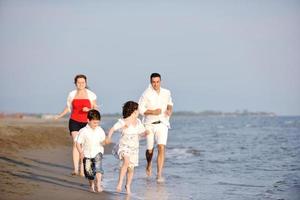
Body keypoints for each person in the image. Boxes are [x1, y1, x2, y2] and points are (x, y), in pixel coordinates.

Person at [55, 74, 98, 176]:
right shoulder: (72, 94)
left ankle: (83, 169)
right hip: (74, 121)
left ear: (85, 83)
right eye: (79, 82)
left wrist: (89, 110)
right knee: (76, 143)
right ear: (75, 83)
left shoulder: (91, 95)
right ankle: (75, 169)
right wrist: (59, 115)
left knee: (83, 145)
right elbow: (68, 107)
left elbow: (95, 110)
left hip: (86, 122)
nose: (81, 84)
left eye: (83, 82)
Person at [106, 101, 148, 194]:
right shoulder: (123, 121)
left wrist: (146, 133)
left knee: (131, 169)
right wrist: (109, 137)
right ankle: (120, 182)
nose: (138, 112)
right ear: (133, 111)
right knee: (126, 161)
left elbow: (141, 133)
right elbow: (112, 129)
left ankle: (128, 185)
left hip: (134, 148)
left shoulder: (138, 122)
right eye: (137, 110)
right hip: (124, 146)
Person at [138, 72, 173, 183]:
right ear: (151, 82)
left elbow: (170, 103)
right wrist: (153, 111)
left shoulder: (166, 92)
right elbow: (141, 110)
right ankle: (149, 163)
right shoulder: (145, 94)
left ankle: (159, 174)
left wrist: (169, 110)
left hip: (162, 123)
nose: (156, 84)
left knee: (161, 147)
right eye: (153, 82)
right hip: (149, 124)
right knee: (150, 150)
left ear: (160, 81)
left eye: (157, 82)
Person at [76, 109, 106, 192]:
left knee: (98, 169)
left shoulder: (100, 130)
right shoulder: (83, 131)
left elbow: (103, 141)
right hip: (86, 154)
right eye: (94, 122)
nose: (96, 124)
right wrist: (81, 152)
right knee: (89, 173)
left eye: (98, 122)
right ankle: (92, 185)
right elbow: (78, 143)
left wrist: (105, 142)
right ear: (88, 120)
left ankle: (98, 185)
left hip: (98, 152)